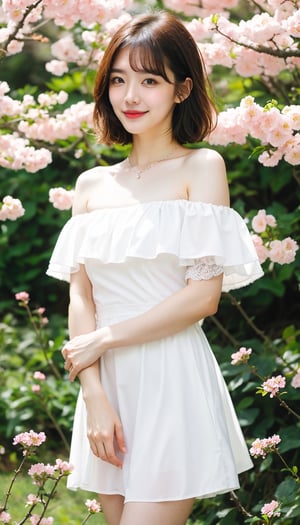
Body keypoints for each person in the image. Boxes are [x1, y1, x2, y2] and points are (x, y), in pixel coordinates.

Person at [47, 11, 263, 525]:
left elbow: (201, 298)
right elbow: (82, 297)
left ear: (182, 89)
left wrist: (104, 340)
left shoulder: (201, 168)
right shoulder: (91, 185)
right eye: (119, 80)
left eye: (150, 80)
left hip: (170, 377)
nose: (131, 96)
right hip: (105, 387)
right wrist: (94, 394)